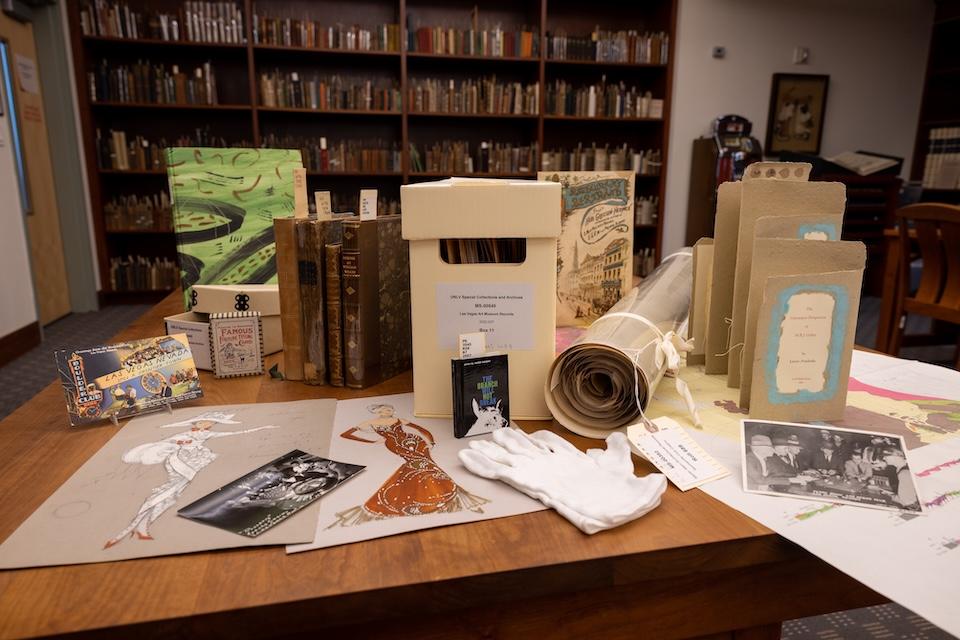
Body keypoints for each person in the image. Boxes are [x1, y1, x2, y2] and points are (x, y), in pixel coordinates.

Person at [104, 411, 278, 548]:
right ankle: (132, 527)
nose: (208, 425)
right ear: (197, 421)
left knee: (174, 494)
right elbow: (169, 441)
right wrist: (181, 443)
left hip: (194, 463)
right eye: (206, 421)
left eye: (212, 423)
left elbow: (236, 432)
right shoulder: (186, 433)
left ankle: (141, 528)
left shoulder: (207, 434)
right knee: (170, 489)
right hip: (181, 461)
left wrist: (261, 429)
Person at [330, 403, 489, 527]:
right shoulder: (370, 422)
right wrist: (371, 441)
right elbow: (345, 434)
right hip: (395, 444)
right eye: (385, 409)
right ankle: (438, 494)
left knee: (427, 464)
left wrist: (430, 441)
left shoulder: (399, 420)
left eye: (390, 409)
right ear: (378, 411)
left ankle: (441, 493)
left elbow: (420, 429)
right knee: (419, 465)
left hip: (414, 441)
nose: (389, 411)